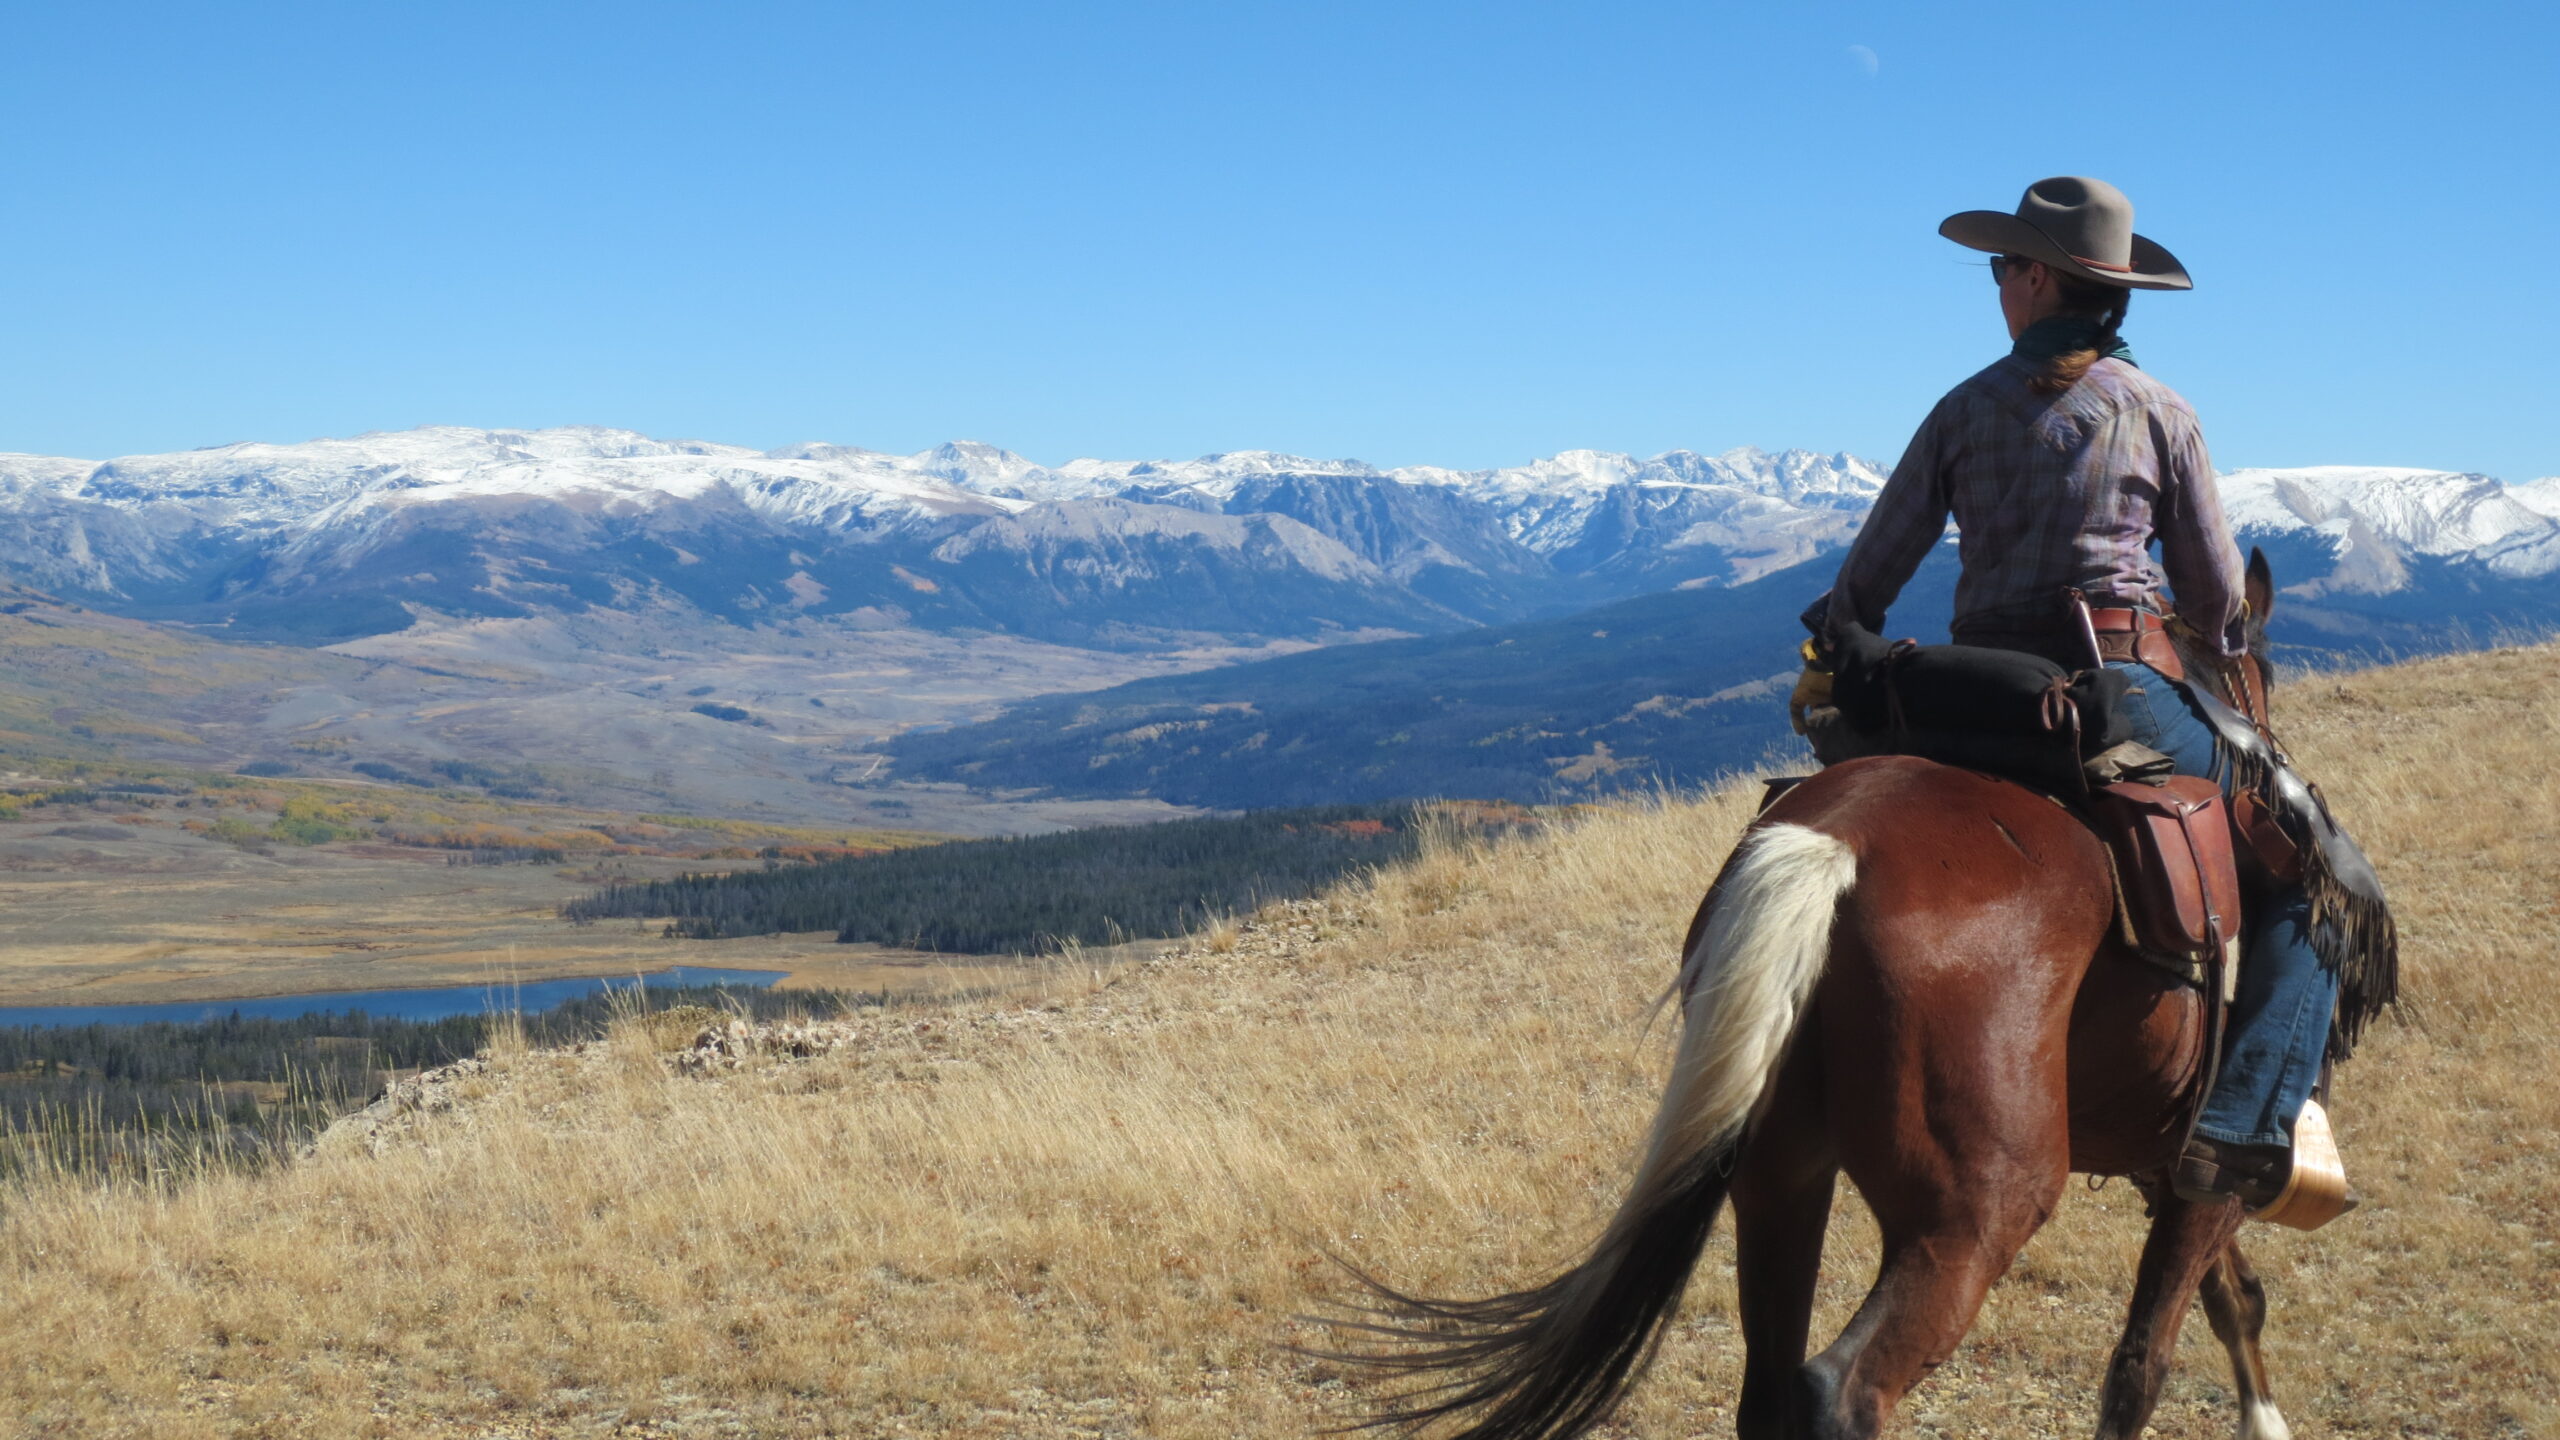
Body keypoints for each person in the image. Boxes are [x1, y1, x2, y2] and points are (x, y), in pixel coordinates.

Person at [1798, 176, 2337, 1208]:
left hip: (1966, 698)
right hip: (2113, 693)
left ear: (2042, 280)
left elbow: (1863, 583)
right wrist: (2217, 642)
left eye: (2003, 267)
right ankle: (2245, 1128)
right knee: (2306, 864)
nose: (1996, 284)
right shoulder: (2157, 411)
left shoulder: (1959, 410)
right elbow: (2221, 600)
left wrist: (1851, 654)